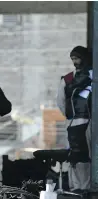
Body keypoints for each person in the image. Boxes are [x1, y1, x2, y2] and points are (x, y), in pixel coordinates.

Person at [57, 46, 92, 192]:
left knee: (87, 155)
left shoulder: (93, 76)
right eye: (73, 59)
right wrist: (69, 115)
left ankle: (87, 185)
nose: (75, 62)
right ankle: (77, 186)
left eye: (77, 58)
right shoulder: (67, 79)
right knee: (76, 155)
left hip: (90, 122)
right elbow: (60, 102)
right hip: (74, 121)